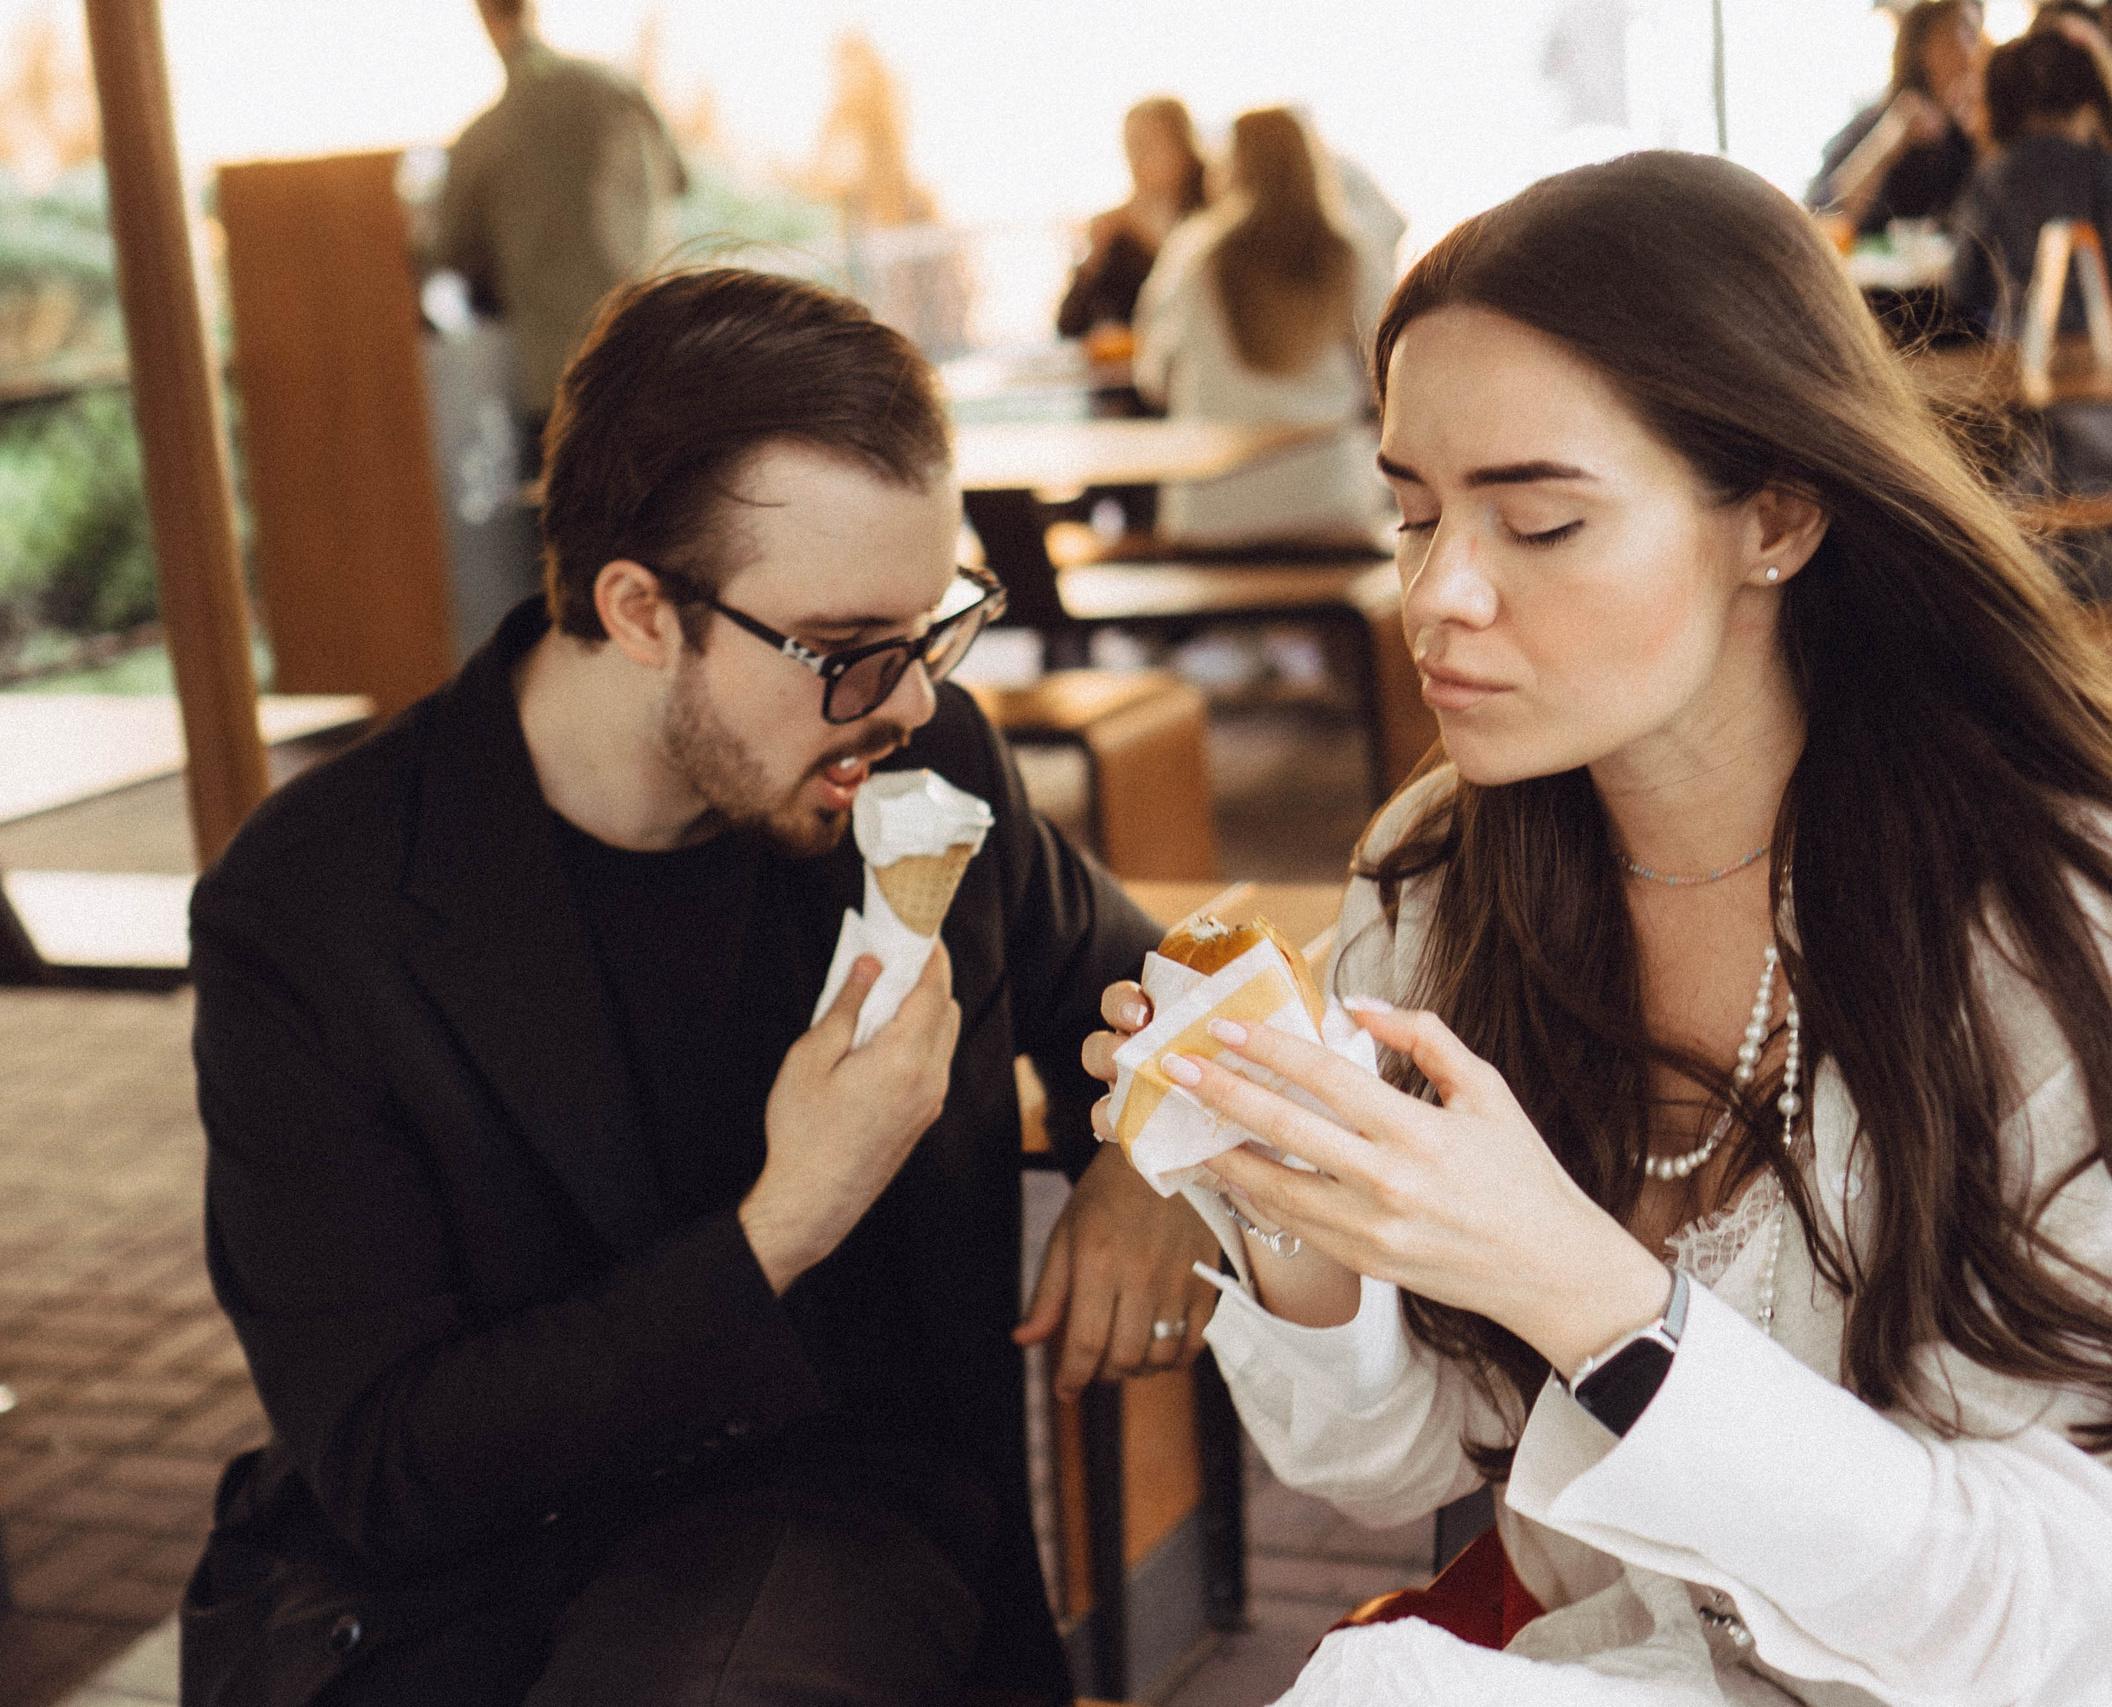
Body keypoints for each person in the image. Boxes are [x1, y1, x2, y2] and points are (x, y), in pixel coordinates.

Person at [1088, 151, 2112, 1701]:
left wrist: (1580, 1279)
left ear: (1776, 516)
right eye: (1414, 516)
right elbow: (1392, 1457)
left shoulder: (2045, 919)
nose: (1440, 595)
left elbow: (2045, 1627)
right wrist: (1292, 1191)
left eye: (1540, 523)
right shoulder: (1443, 875)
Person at [179, 267, 1223, 1707]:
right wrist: (785, 1218)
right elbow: (387, 1464)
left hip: (837, 1530)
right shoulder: (314, 907)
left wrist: (1155, 1162)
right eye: (853, 651)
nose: (913, 694)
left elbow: (1172, 994)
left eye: (937, 623)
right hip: (447, 1582)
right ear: (639, 608)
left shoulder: (920, 769)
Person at [430, 0, 686, 466]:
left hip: (557, 384)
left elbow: (451, 256)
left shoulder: (480, 139)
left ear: (483, 17)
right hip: (654, 357)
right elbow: (679, 181)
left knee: (573, 532)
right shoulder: (615, 90)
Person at [1131, 107, 1389, 548]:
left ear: (1229, 168)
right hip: (1330, 500)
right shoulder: (1351, 253)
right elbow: (1386, 375)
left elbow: (1152, 378)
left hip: (1210, 512)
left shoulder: (1193, 255)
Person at [1948, 26, 2112, 336]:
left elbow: (1965, 283)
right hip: (2102, 350)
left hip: (2024, 350)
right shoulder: (2101, 168)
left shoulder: (1996, 174)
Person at [1807, 0, 1986, 239]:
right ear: (1920, 47)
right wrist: (1889, 143)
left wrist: (1983, 135)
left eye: (1973, 32)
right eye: (1956, 32)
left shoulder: (1969, 134)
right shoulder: (1879, 120)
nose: (1967, 47)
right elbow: (1824, 213)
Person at [1057, 97, 1208, 344]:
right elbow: (1069, 327)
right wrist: (1092, 260)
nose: (1136, 159)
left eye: (1148, 145)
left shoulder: (1214, 222)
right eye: (1131, 146)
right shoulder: (1114, 231)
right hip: (1132, 376)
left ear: (1183, 147)